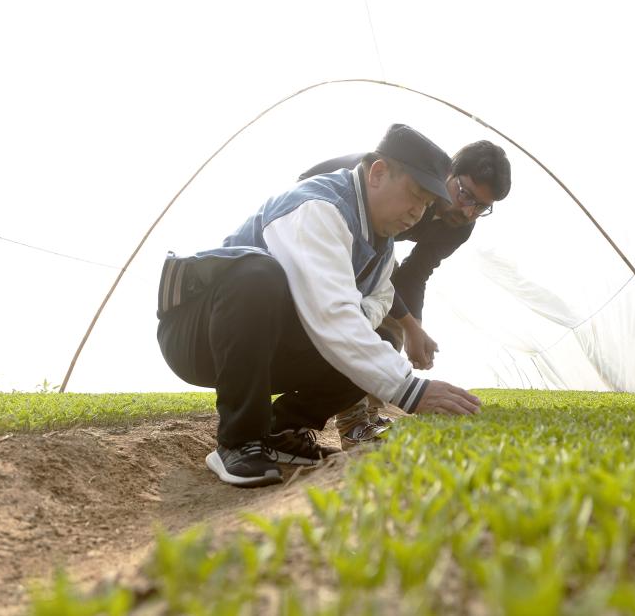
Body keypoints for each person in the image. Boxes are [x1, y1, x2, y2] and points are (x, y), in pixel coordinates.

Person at [156, 124, 482, 488]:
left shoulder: (382, 249)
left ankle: (281, 432)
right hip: (195, 334)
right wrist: (412, 390)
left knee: (378, 340)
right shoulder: (319, 206)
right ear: (377, 173)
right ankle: (238, 440)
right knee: (258, 275)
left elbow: (373, 304)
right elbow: (331, 314)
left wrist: (360, 328)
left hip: (266, 344)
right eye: (414, 195)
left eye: (425, 204)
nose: (417, 213)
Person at [299, 139, 511, 447]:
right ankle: (349, 417)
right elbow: (377, 261)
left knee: (392, 326)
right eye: (465, 194)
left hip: (373, 245)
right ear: (448, 172)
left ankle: (362, 411)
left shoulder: (460, 226)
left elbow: (415, 273)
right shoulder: (404, 181)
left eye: (481, 207)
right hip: (323, 217)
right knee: (360, 314)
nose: (467, 212)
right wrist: (409, 326)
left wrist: (415, 329)